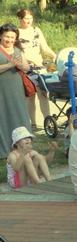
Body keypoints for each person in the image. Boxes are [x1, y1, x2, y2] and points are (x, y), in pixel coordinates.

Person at [17, 9, 56, 129]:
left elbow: (45, 47)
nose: (29, 21)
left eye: (30, 18)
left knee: (43, 94)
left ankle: (48, 121)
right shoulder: (16, 32)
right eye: (26, 18)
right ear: (20, 19)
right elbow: (16, 52)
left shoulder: (36, 30)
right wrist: (26, 61)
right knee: (30, 96)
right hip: (26, 68)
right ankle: (32, 123)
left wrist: (54, 55)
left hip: (40, 67)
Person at [0, 23, 32, 158]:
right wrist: (10, 65)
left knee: (19, 114)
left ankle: (24, 147)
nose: (9, 40)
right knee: (3, 116)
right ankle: (4, 150)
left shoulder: (18, 50)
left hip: (16, 89)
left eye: (12, 37)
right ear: (1, 36)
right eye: (7, 36)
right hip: (2, 90)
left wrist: (23, 66)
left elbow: (27, 67)